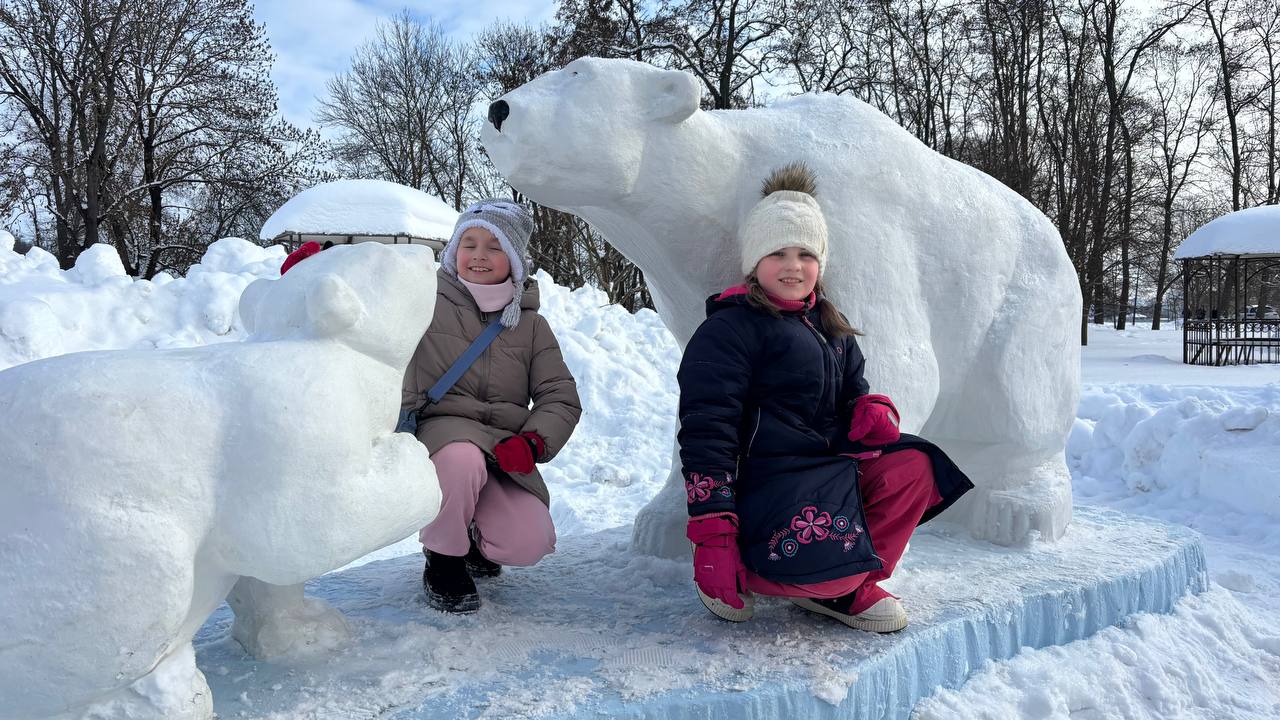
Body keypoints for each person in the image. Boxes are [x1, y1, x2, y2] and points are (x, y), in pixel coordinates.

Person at [677, 163, 973, 632]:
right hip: (770, 484)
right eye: (777, 252)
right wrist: (712, 532)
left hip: (827, 472)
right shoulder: (728, 330)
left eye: (805, 254)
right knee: (811, 564)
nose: (793, 266)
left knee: (915, 465)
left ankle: (845, 585)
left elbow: (854, 391)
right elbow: (706, 430)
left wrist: (868, 411)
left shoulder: (830, 325)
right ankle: (777, 571)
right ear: (755, 261)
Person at [403, 199, 581, 614]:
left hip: (501, 446)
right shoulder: (423, 301)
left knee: (529, 542)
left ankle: (473, 536)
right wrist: (310, 273)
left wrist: (534, 442)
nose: (479, 255)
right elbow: (366, 316)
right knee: (462, 460)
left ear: (515, 260)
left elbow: (560, 394)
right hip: (443, 434)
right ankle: (443, 558)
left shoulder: (531, 325)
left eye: (494, 246)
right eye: (470, 243)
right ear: (453, 251)